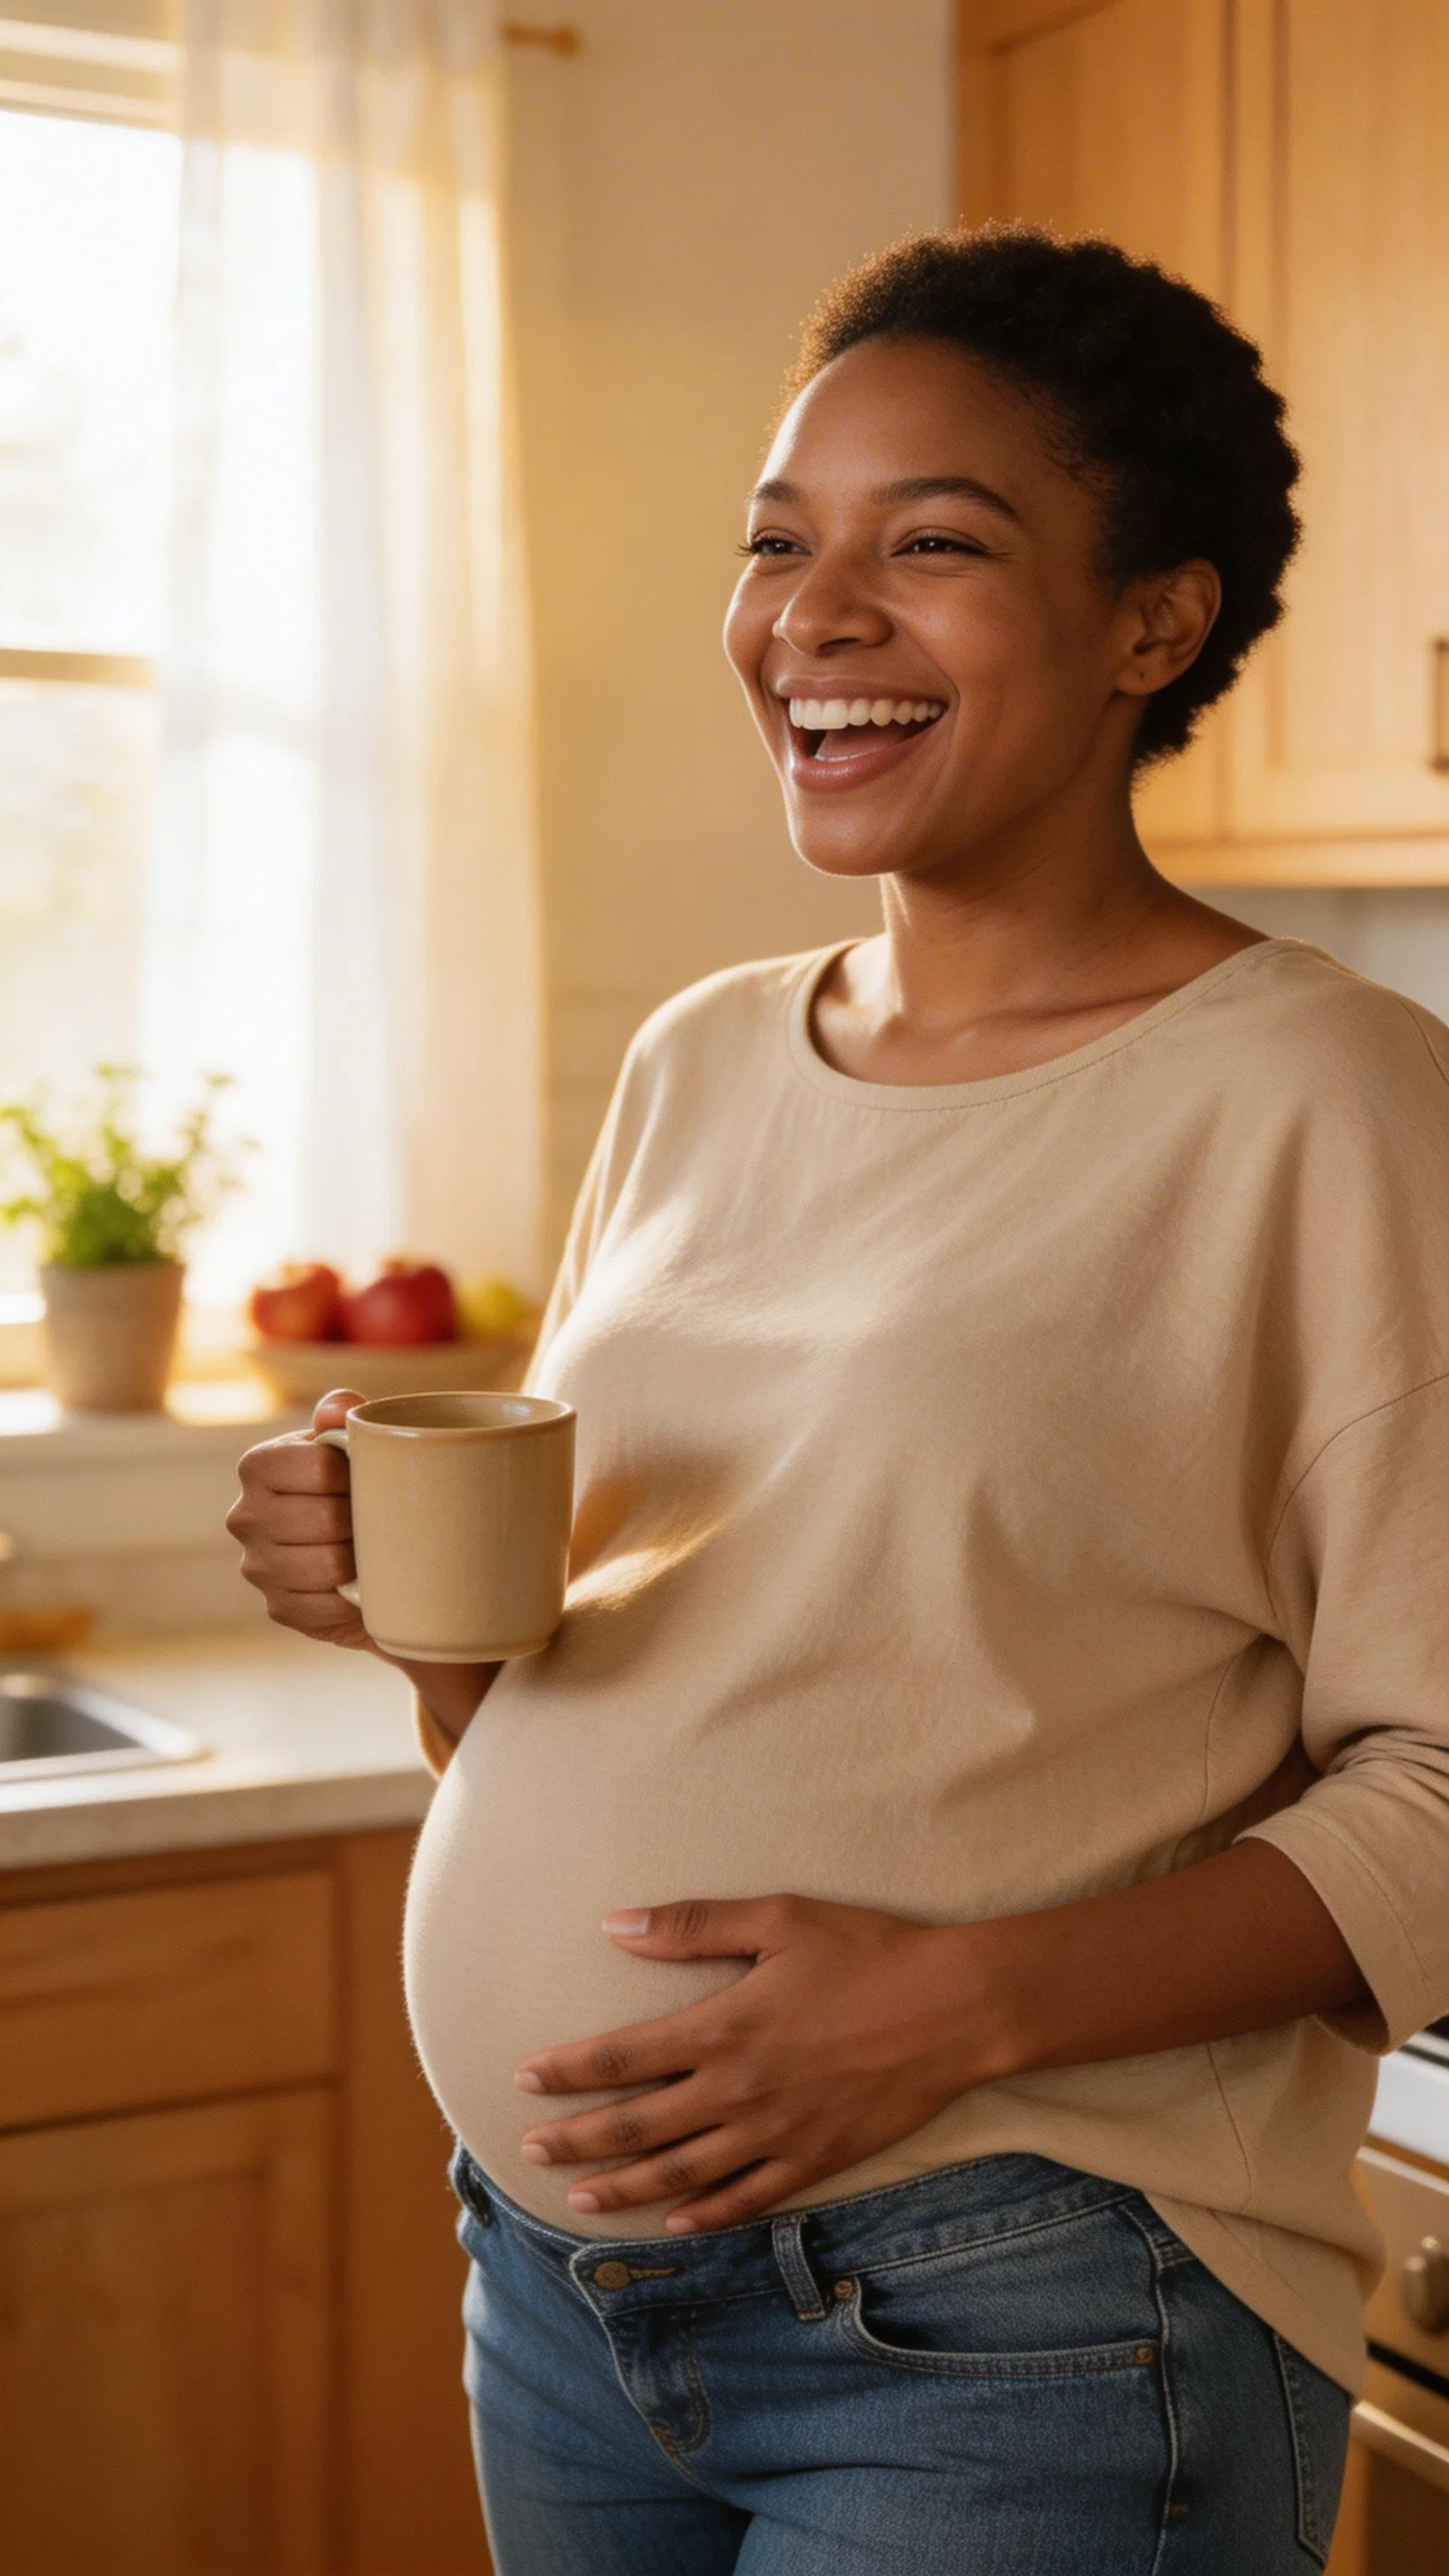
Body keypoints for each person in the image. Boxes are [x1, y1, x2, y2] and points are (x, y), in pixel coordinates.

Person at [228, 228, 1449, 2573]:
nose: (816, 611)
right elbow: (610, 1705)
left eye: (937, 545)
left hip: (1025, 2321)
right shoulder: (701, 1059)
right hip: (566, 2290)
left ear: (1152, 626)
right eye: (781, 540)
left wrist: (952, 2006)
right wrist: (421, 1614)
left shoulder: (1325, 1096)